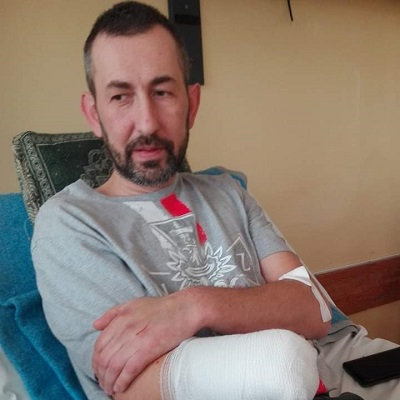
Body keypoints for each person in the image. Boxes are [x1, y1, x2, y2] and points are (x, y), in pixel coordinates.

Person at [31, 2, 360, 400]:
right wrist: (272, 337)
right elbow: (131, 385)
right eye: (120, 96)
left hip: (345, 368)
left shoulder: (228, 191)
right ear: (93, 113)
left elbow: (315, 310)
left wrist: (195, 306)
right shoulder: (68, 224)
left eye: (162, 92)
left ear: (192, 105)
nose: (147, 122)